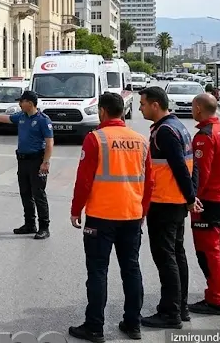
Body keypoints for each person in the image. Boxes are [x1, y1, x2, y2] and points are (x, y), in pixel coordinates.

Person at [67, 92, 152, 343]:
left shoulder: (96, 139)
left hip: (101, 217)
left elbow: (84, 180)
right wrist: (143, 211)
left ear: (102, 111)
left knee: (97, 271)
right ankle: (133, 324)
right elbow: (150, 183)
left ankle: (94, 328)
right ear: (122, 112)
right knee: (131, 269)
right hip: (131, 215)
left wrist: (76, 209)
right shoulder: (141, 140)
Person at [139, 86, 197, 328]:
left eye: (142, 104)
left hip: (165, 202)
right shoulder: (178, 126)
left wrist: (191, 197)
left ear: (155, 105)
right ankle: (180, 307)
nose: (140, 108)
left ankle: (170, 313)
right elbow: (193, 165)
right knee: (177, 254)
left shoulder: (164, 131)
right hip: (175, 202)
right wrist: (190, 195)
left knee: (166, 258)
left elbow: (180, 167)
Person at [0, 90, 54, 239]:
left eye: (22, 101)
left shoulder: (43, 120)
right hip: (22, 161)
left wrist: (46, 162)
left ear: (30, 103)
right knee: (25, 193)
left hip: (37, 161)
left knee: (38, 194)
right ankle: (30, 224)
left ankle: (44, 227)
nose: (19, 104)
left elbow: (49, 143)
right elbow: (4, 118)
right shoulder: (21, 116)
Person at [188, 93, 220, 315]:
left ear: (199, 108)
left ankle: (216, 299)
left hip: (209, 201)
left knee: (209, 252)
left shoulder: (204, 136)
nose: (192, 110)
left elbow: (201, 174)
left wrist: (192, 199)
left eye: (193, 107)